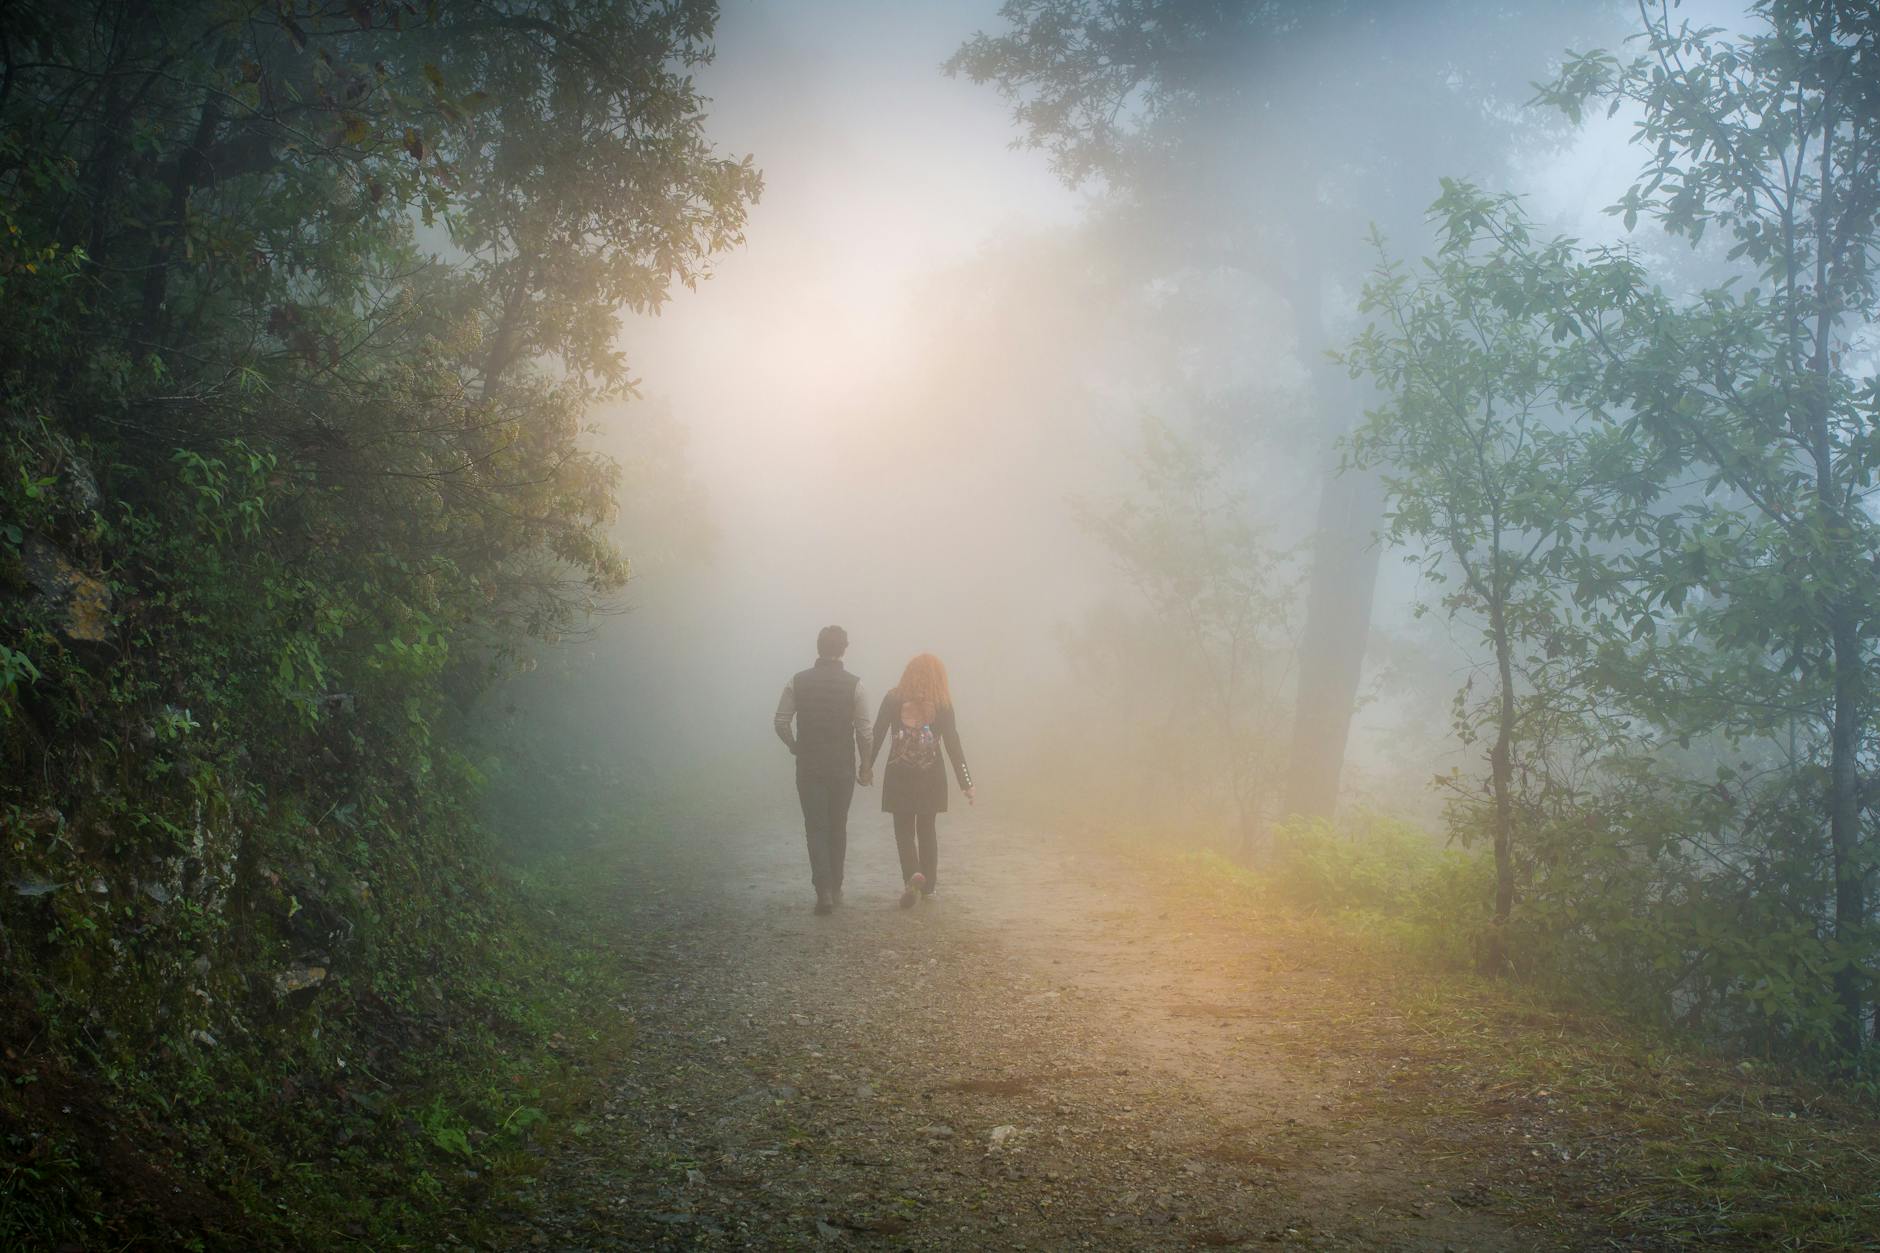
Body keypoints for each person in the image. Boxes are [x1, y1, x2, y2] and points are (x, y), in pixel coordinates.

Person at [773, 625, 874, 915]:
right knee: (837, 825)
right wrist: (865, 765)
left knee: (815, 826)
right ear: (844, 649)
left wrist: (794, 745)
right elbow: (864, 732)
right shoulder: (856, 685)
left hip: (809, 765)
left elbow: (781, 721)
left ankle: (823, 889)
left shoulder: (797, 681)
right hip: (842, 765)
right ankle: (837, 885)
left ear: (818, 647)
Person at [866, 653, 974, 908]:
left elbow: (877, 733)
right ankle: (929, 889)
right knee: (927, 830)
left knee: (903, 831)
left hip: (898, 774)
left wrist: (866, 766)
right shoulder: (943, 703)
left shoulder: (893, 698)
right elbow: (953, 744)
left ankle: (913, 876)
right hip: (931, 777)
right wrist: (966, 782)